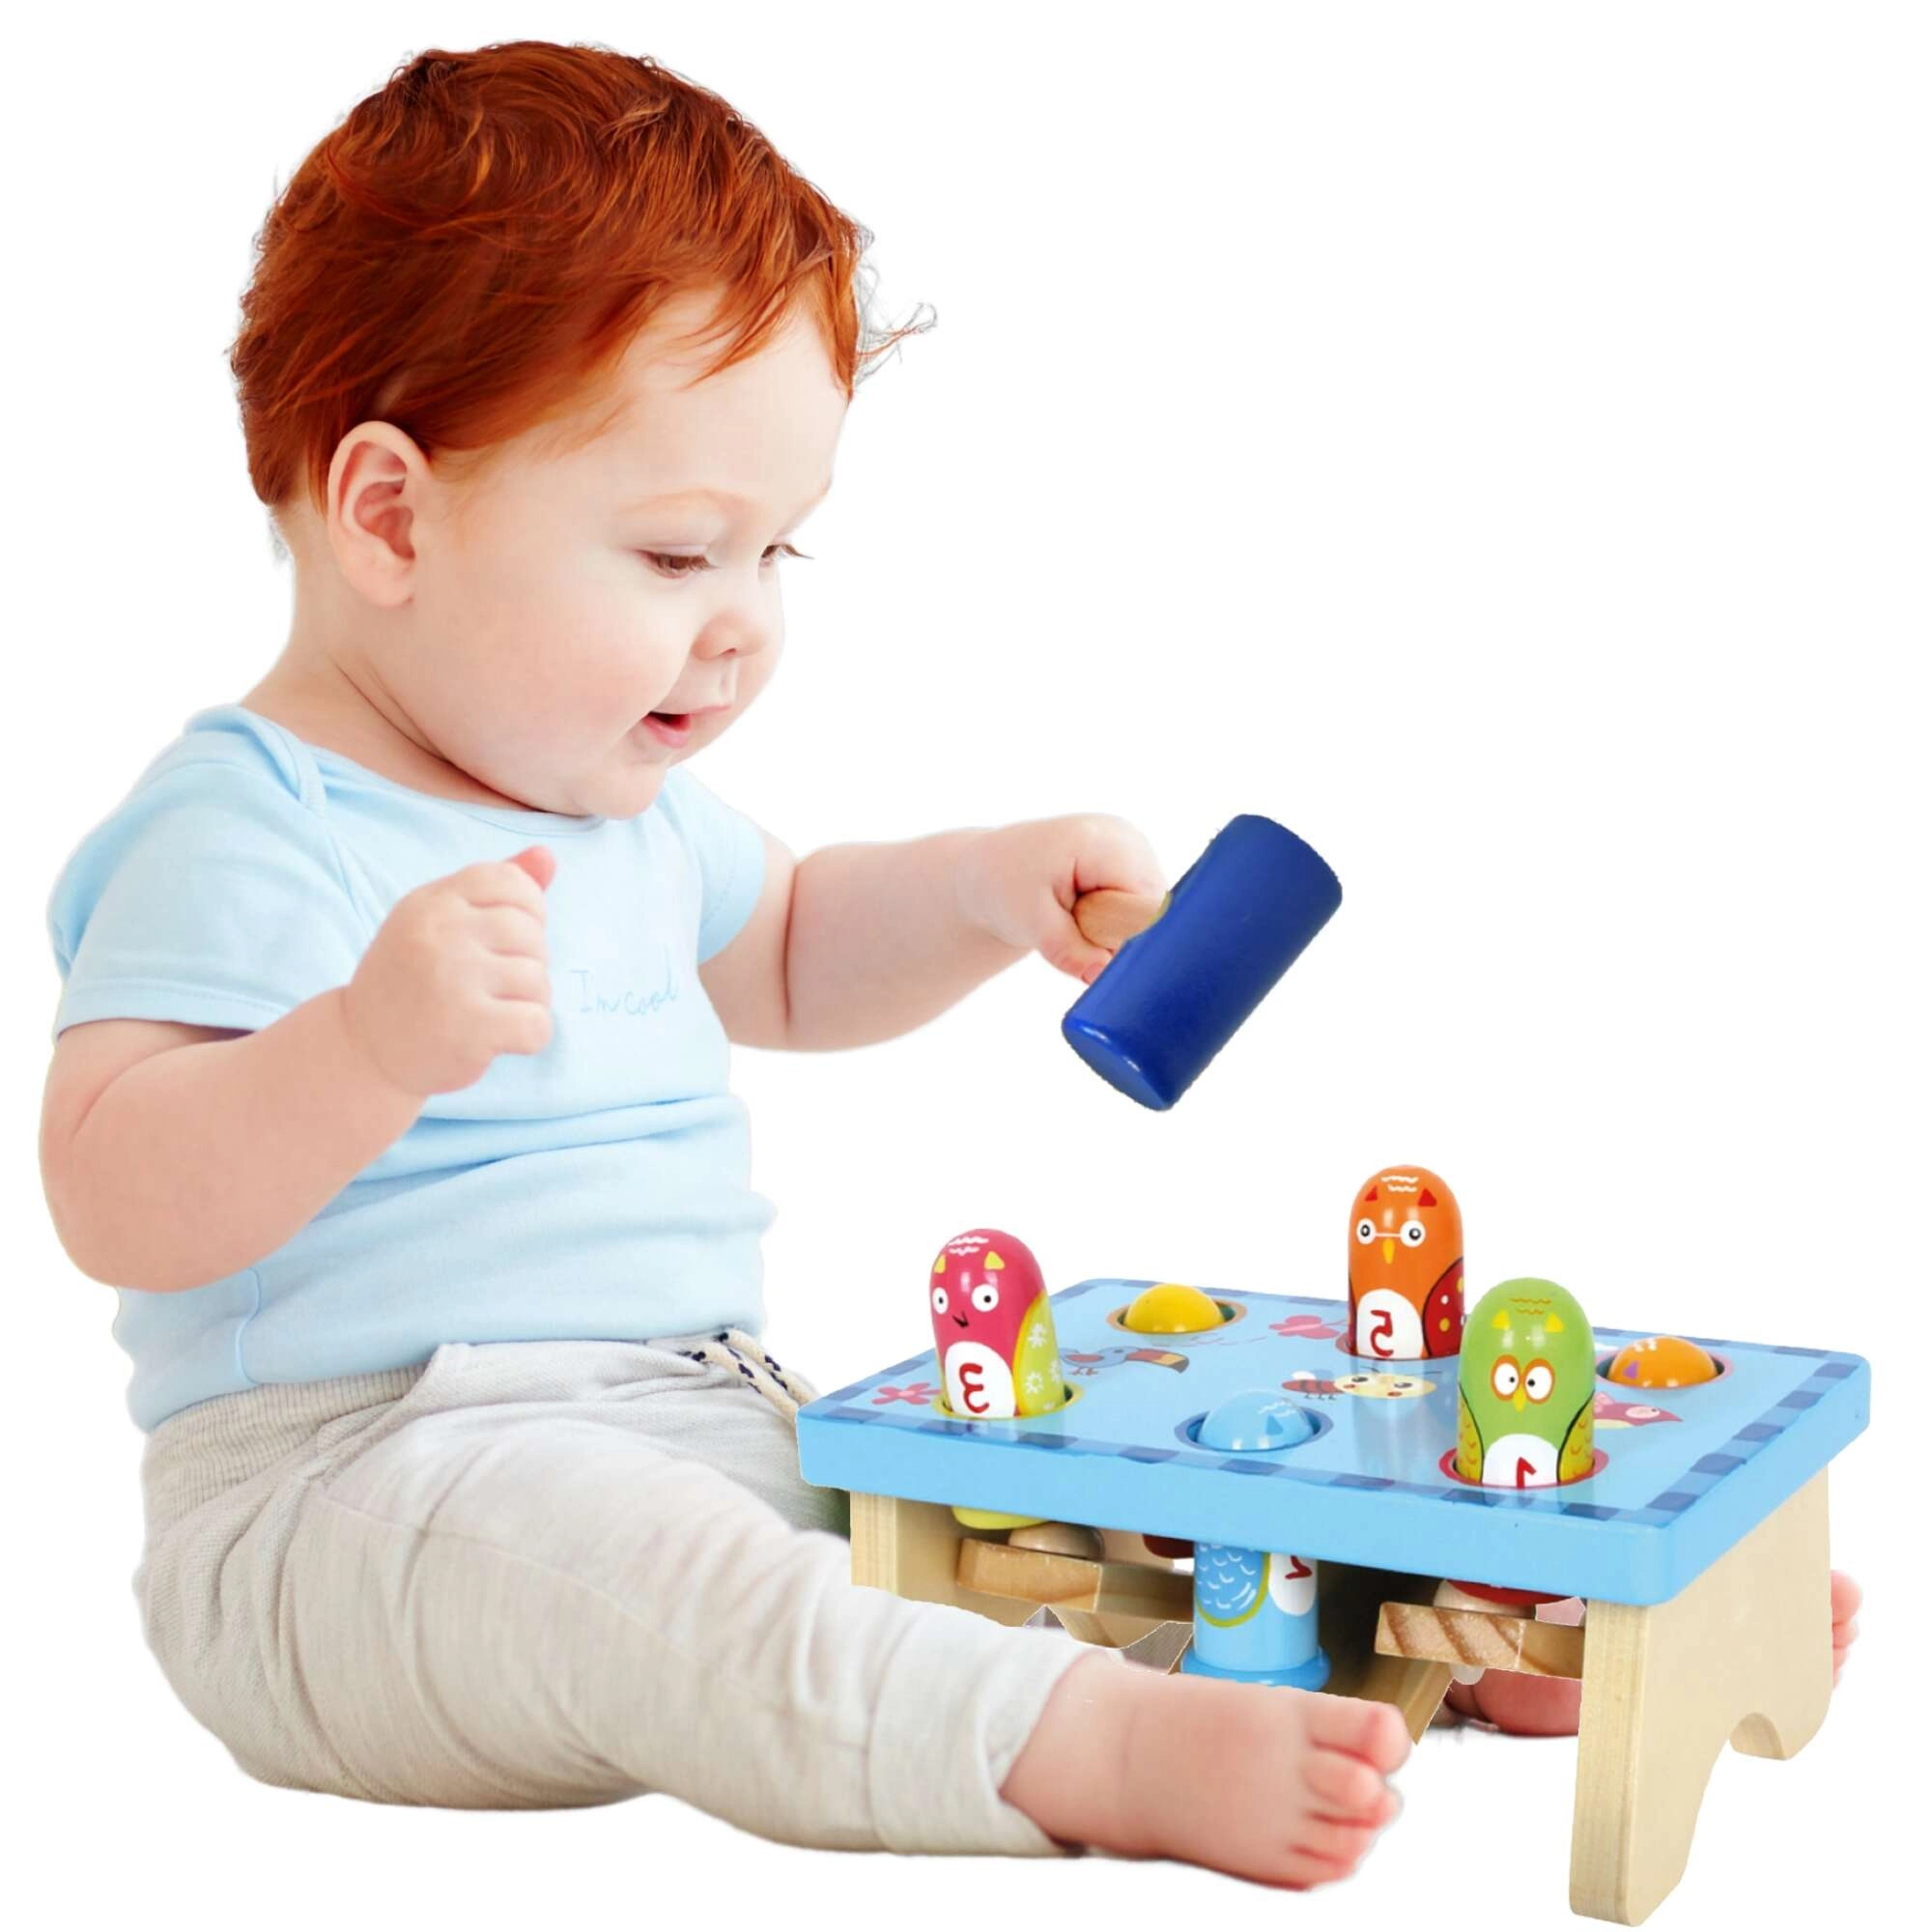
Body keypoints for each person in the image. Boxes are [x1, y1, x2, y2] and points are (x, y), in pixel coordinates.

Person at [38, 41, 1855, 1889]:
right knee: (689, 1586)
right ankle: (1091, 1755)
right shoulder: (249, 824)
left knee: (1005, 1530)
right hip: (349, 1501)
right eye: (676, 553)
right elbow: (112, 1193)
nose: (742, 626)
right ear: (389, 514)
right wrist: (363, 1046)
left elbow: (795, 949)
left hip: (704, 1421)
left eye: (776, 551)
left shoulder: (609, 805)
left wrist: (985, 894)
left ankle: (1448, 1640)